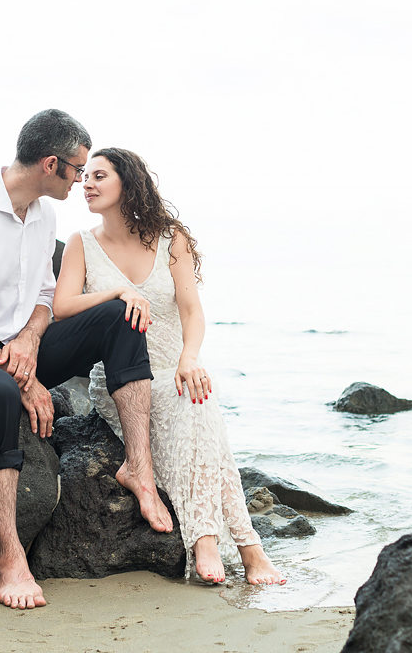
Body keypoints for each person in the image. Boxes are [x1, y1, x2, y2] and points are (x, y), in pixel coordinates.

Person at [0, 111, 173, 610]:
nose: (80, 181)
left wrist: (30, 342)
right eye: (77, 170)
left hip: (17, 348)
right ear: (51, 164)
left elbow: (46, 295)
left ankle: (138, 467)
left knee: (120, 314)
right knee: (0, 392)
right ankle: (10, 558)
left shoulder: (43, 214)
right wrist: (19, 375)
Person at [52, 147, 285, 585]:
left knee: (198, 407)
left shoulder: (168, 237)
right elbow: (63, 307)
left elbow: (193, 311)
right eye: (85, 175)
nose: (87, 183)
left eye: (99, 176)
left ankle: (231, 547)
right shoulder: (83, 243)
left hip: (175, 366)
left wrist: (189, 358)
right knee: (197, 414)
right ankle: (224, 546)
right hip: (123, 381)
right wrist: (118, 293)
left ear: (128, 183)